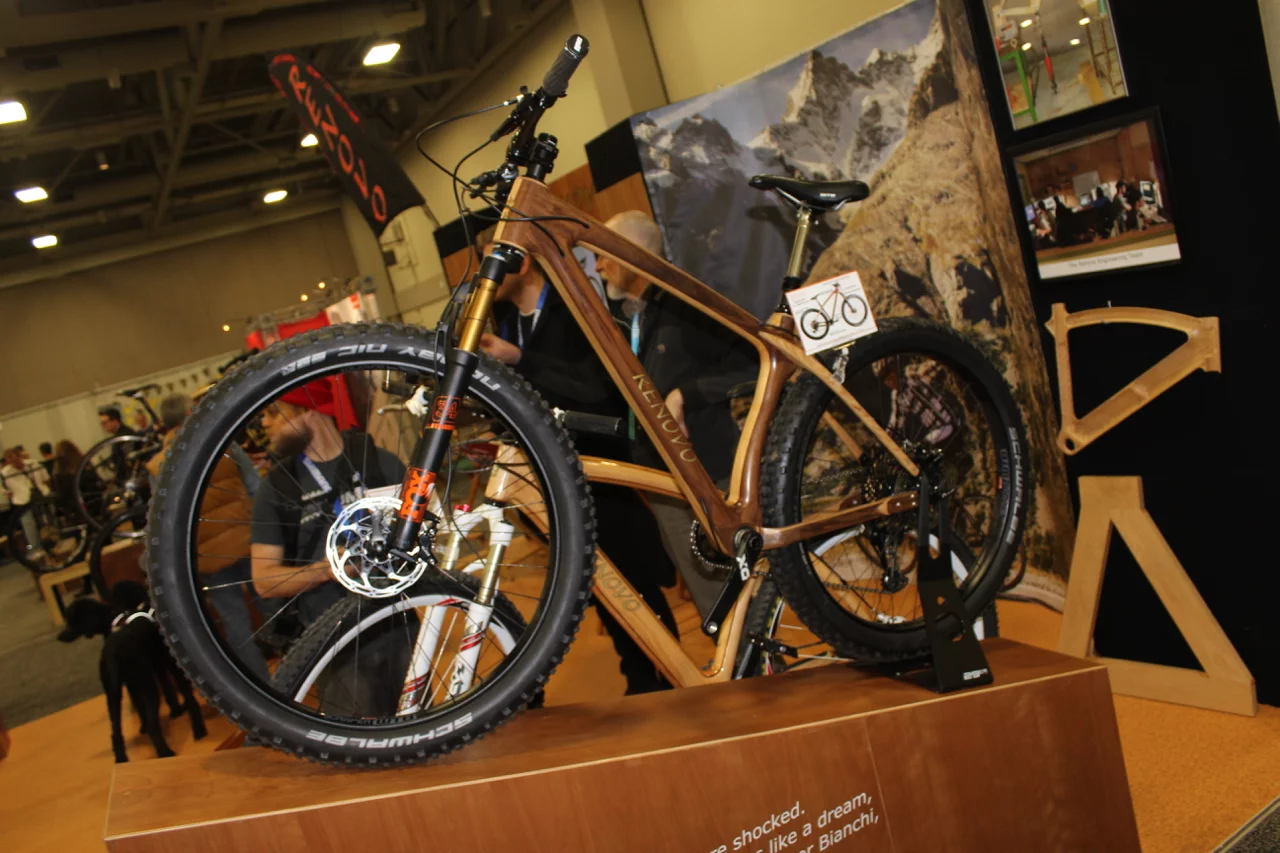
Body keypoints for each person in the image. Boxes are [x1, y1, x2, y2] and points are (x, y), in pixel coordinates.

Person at [479, 244, 682, 695]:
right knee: (598, 583)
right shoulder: (507, 324)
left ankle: (666, 673)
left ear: (525, 262)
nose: (486, 269)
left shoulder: (570, 309)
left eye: (497, 254)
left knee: (633, 581)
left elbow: (597, 390)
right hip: (556, 478)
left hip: (601, 470)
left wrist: (520, 360)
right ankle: (639, 676)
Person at [596, 210, 758, 620]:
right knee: (710, 599)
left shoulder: (687, 305)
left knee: (743, 591)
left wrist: (687, 394)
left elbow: (756, 365)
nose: (598, 266)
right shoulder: (629, 314)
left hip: (710, 473)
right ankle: (742, 671)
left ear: (633, 253)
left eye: (605, 255)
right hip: (661, 481)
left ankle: (758, 665)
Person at [249, 380, 406, 626]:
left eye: (274, 412)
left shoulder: (375, 461)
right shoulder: (277, 487)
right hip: (324, 634)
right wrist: (323, 571)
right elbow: (263, 581)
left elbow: (422, 533)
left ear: (309, 411)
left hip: (394, 619)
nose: (265, 423)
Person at [145, 394, 268, 678]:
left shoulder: (157, 466)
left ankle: (269, 690)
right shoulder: (221, 444)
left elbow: (166, 522)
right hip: (248, 541)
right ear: (191, 412)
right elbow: (255, 488)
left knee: (236, 623)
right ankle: (303, 667)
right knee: (272, 607)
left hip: (209, 558)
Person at [2, 445, 52, 562]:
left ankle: (53, 540)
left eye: (15, 459)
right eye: (10, 460)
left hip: (41, 495)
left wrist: (47, 489)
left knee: (47, 518)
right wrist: (7, 492)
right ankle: (35, 548)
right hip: (22, 500)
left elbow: (46, 478)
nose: (14, 463)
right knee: (28, 523)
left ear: (20, 456)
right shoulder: (4, 473)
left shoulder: (33, 464)